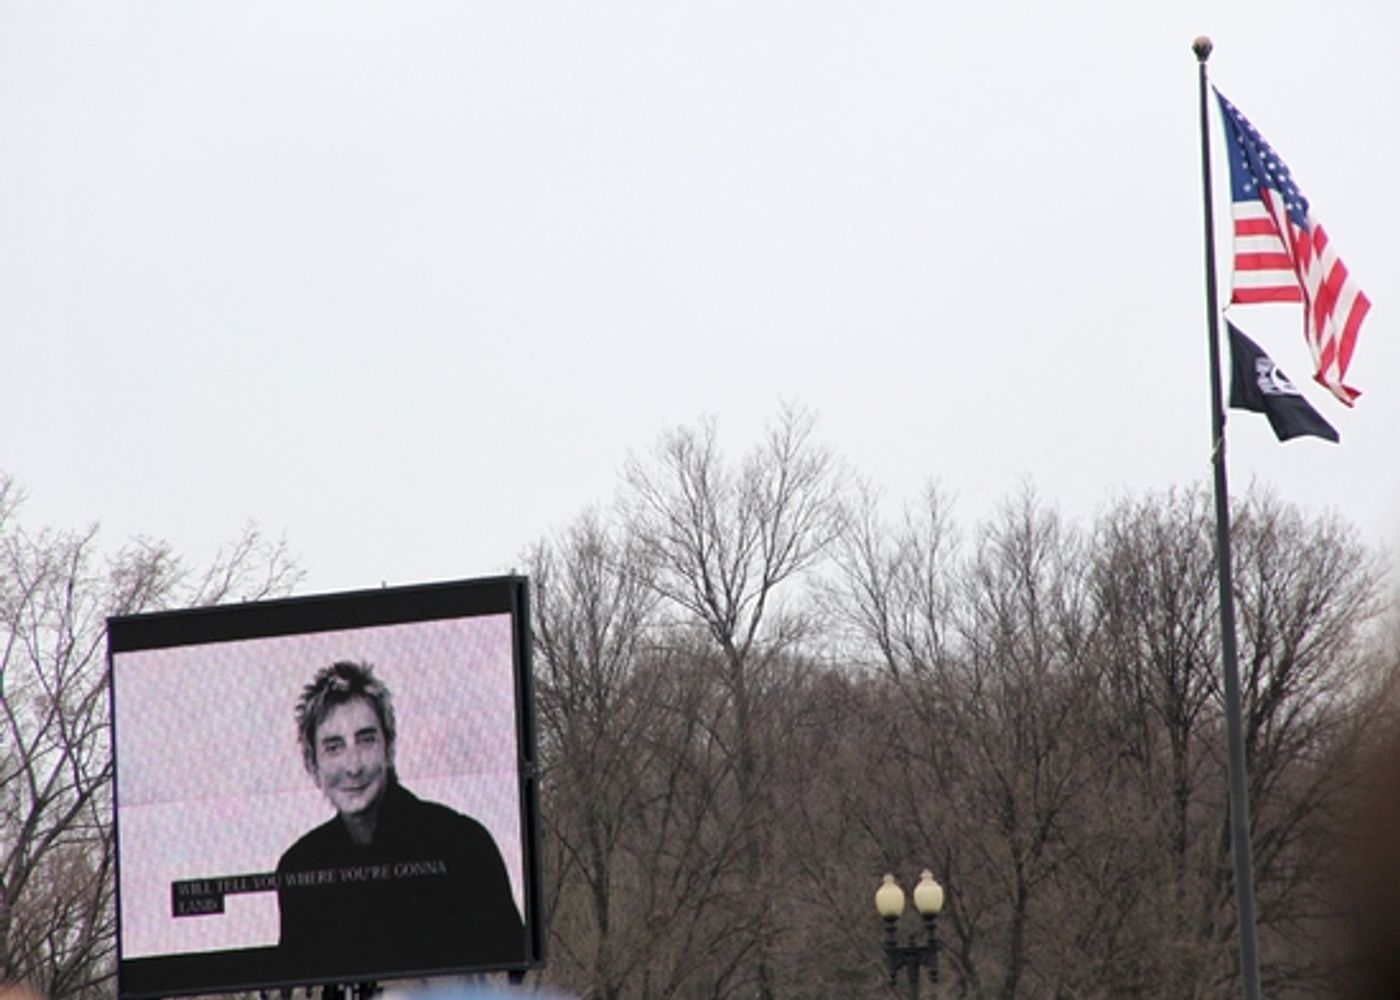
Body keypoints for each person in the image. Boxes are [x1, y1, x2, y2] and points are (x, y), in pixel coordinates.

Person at [276, 661, 524, 979]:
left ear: (389, 748)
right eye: (334, 747)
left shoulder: (462, 843)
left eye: (366, 740)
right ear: (313, 764)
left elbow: (511, 971)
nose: (353, 767)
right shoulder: (299, 867)